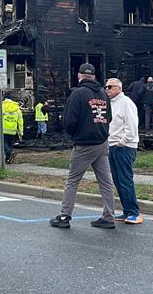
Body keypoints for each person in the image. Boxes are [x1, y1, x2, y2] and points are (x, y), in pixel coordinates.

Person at [49, 63, 116, 230]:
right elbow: (109, 117)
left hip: (84, 143)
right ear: (94, 76)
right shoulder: (103, 93)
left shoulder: (77, 93)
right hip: (102, 142)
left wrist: (75, 134)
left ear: (79, 76)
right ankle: (109, 217)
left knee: (72, 181)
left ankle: (65, 215)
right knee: (106, 182)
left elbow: (69, 121)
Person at [105, 78, 143, 224]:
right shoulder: (111, 104)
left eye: (110, 87)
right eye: (106, 87)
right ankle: (127, 211)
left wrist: (124, 141)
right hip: (112, 144)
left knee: (125, 179)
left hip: (124, 146)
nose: (107, 89)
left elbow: (132, 124)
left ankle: (134, 212)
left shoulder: (126, 103)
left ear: (119, 88)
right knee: (117, 180)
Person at [0, 92, 24, 164]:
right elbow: (20, 121)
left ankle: (9, 153)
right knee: (10, 144)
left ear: (4, 98)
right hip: (13, 130)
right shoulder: (17, 108)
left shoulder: (1, 106)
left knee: (3, 144)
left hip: (3, 129)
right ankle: (8, 159)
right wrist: (21, 132)